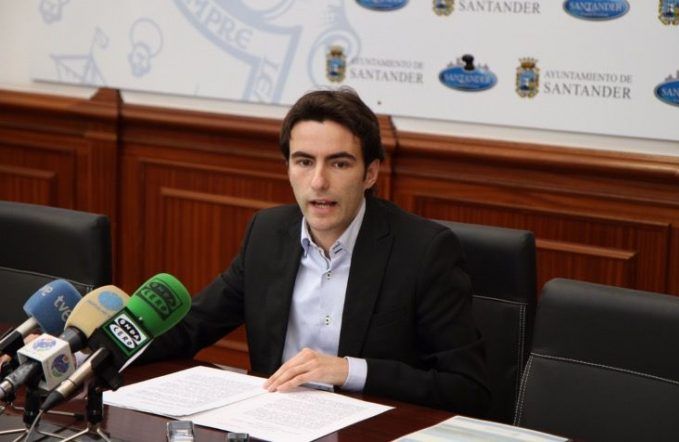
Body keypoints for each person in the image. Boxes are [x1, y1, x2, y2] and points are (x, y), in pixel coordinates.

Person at [142, 88, 490, 416]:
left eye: (339, 164)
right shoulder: (267, 234)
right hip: (273, 422)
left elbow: (467, 389)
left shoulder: (423, 251)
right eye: (305, 162)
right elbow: (192, 328)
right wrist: (113, 341)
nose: (319, 182)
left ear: (370, 174)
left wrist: (349, 370)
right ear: (288, 168)